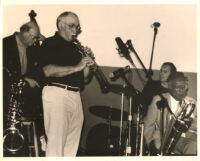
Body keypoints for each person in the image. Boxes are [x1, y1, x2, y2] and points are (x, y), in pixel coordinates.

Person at [39, 11, 95, 156]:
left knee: (71, 148)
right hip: (57, 94)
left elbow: (85, 79)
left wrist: (87, 64)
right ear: (60, 25)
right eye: (72, 26)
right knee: (55, 147)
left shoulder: (76, 48)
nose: (75, 30)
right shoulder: (50, 43)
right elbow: (47, 70)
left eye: (78, 27)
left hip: (75, 96)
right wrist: (77, 66)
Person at [144, 72, 197, 155]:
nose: (181, 90)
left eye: (183, 87)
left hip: (186, 139)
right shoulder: (158, 100)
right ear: (170, 87)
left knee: (194, 145)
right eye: (178, 87)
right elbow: (148, 125)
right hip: (166, 140)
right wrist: (150, 144)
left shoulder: (192, 102)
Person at [3, 21, 45, 117]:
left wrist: (45, 40)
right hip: (6, 95)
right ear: (24, 33)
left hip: (23, 96)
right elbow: (4, 71)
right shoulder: (5, 44)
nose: (35, 40)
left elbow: (43, 57)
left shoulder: (31, 47)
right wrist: (23, 78)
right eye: (33, 37)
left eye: (36, 38)